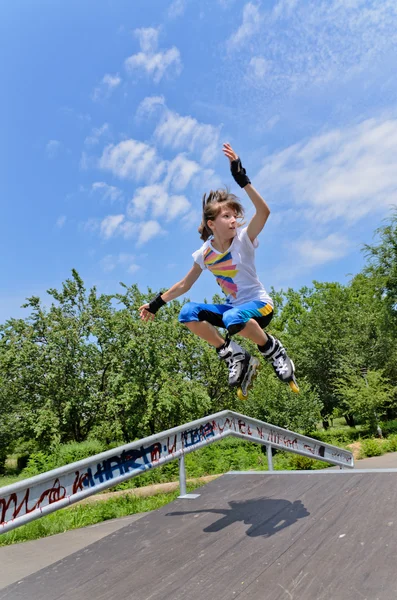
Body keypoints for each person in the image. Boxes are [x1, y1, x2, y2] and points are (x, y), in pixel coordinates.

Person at [139, 142, 298, 395]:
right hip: (232, 310)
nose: (233, 220)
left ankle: (272, 350)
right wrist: (156, 304)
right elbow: (185, 284)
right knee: (188, 313)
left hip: (260, 306)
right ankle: (233, 354)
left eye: (235, 216)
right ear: (212, 224)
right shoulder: (206, 253)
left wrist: (241, 178)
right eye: (227, 217)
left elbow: (264, 212)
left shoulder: (244, 239)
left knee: (232, 317)